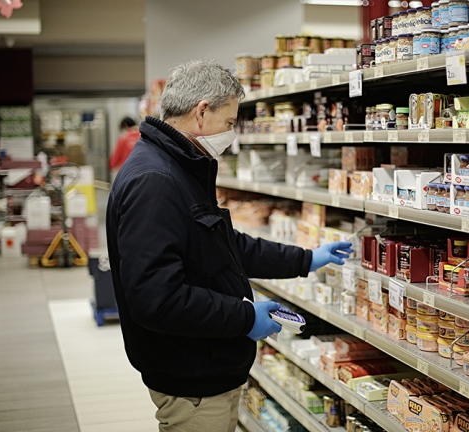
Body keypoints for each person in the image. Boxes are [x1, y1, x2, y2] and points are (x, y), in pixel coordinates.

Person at [105, 59, 353, 432]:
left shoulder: (182, 167)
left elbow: (225, 245)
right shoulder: (155, 181)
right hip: (191, 379)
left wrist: (306, 259)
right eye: (230, 122)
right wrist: (245, 317)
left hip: (206, 367)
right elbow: (156, 299)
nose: (232, 134)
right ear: (201, 113)